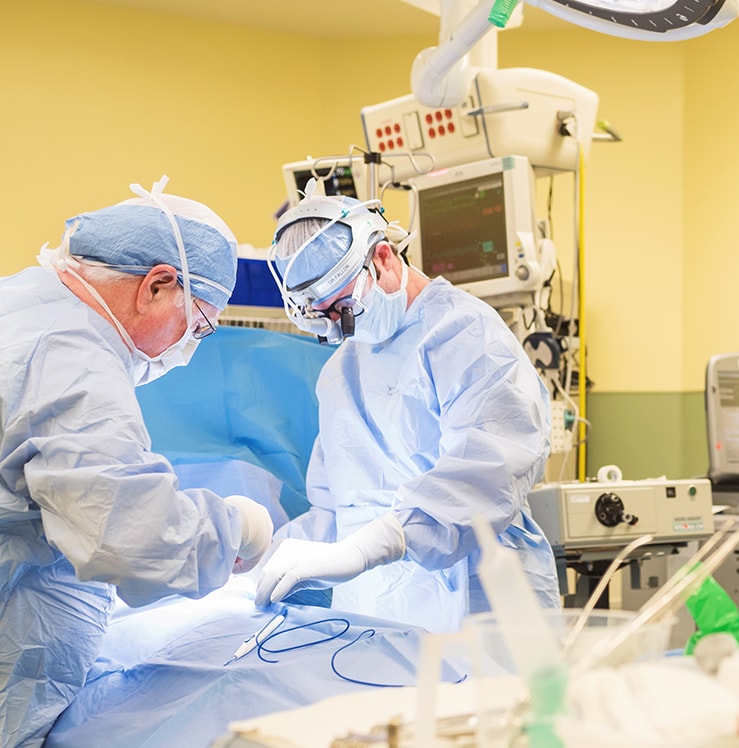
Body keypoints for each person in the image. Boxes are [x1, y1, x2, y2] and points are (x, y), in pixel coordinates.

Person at [0, 178, 273, 747]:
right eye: (196, 324)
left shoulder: (23, 302)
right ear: (156, 285)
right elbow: (132, 536)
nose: (188, 346)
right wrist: (237, 528)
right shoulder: (71, 356)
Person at [253, 184, 561, 633]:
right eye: (322, 320)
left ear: (382, 259)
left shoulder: (465, 335)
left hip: (480, 600)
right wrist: (269, 556)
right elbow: (337, 507)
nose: (339, 331)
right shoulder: (343, 369)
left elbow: (486, 477)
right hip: (377, 607)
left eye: (344, 308)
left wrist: (369, 547)